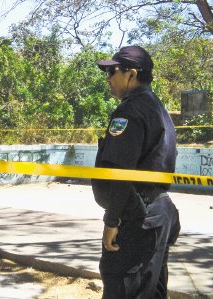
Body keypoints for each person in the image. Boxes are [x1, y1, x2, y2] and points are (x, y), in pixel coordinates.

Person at [91, 46, 181, 299]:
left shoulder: (130, 111)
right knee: (151, 289)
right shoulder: (156, 108)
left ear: (131, 74)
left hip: (137, 218)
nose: (108, 78)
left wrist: (112, 222)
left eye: (112, 71)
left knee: (123, 285)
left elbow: (120, 173)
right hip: (158, 212)